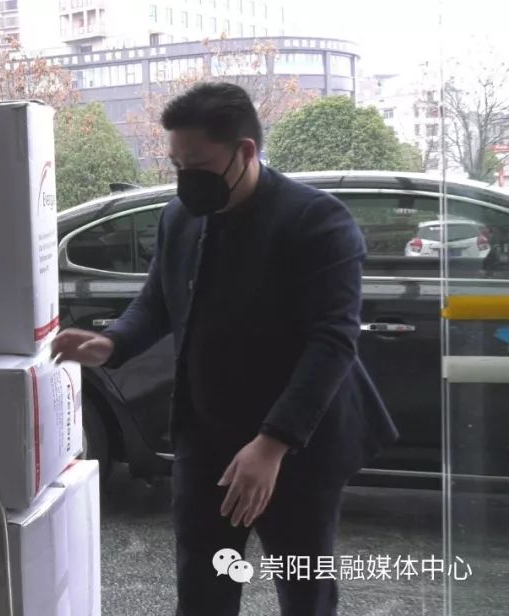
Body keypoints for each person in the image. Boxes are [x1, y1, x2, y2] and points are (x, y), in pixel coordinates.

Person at [52, 82, 399, 616]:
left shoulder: (316, 220)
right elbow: (157, 301)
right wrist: (111, 342)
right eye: (176, 165)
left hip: (297, 446)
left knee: (303, 586)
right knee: (203, 585)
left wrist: (272, 445)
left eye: (198, 165)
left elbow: (332, 342)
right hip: (206, 438)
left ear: (245, 151)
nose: (186, 179)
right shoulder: (180, 217)